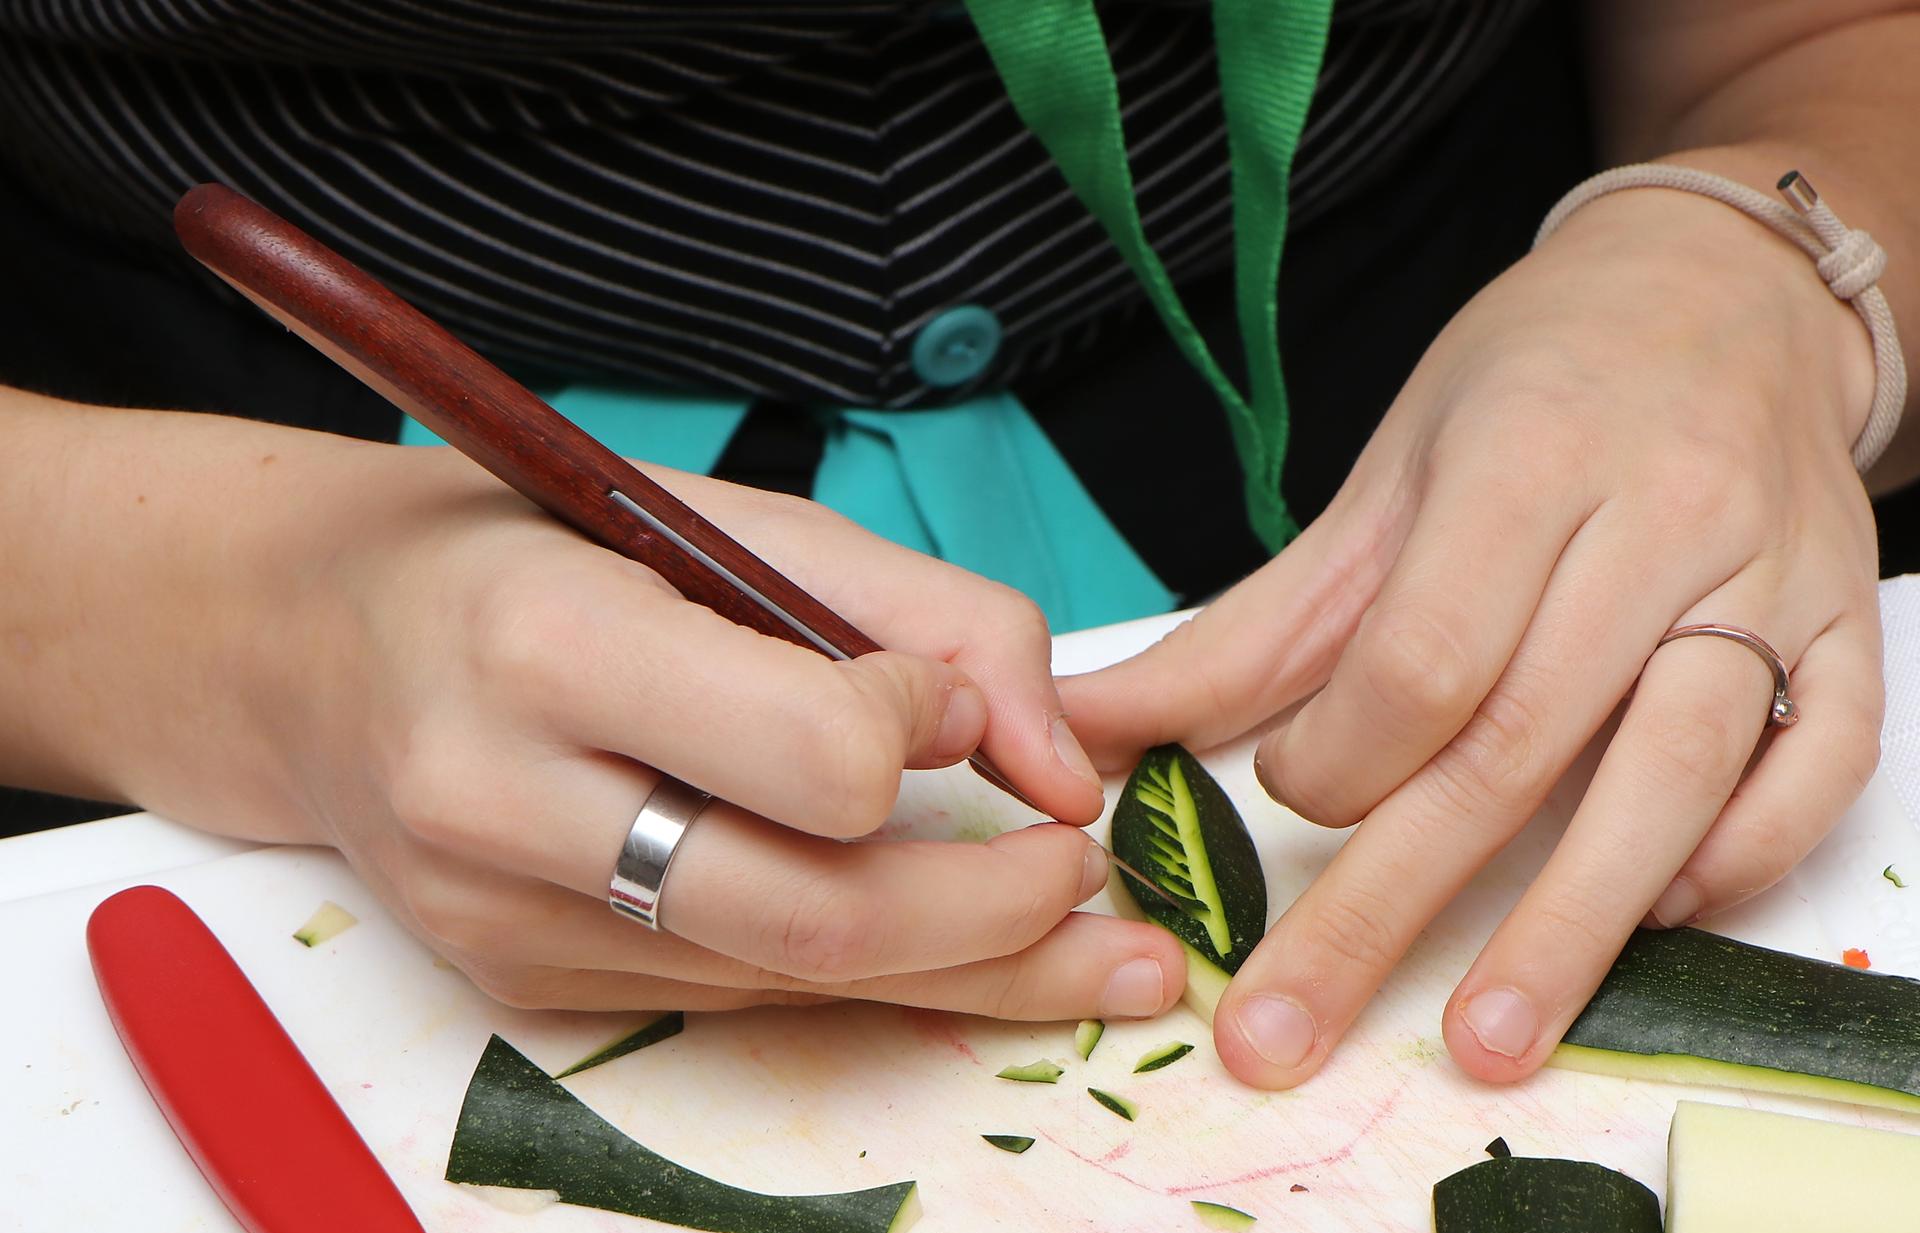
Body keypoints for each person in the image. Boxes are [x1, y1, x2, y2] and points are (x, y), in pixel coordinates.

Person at [0, 0, 1913, 1092]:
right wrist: (240, 628)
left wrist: (1759, 266)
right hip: (202, 484)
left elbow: (1827, 34)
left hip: (1478, 412)